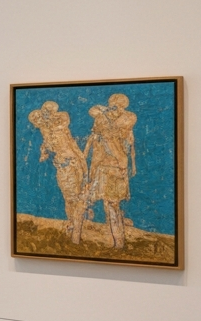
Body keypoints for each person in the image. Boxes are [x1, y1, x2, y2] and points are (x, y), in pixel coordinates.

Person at [27, 101, 87, 243]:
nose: (40, 121)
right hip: (64, 165)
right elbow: (48, 144)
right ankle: (73, 225)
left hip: (69, 165)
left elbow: (65, 140)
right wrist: (45, 151)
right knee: (69, 198)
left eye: (47, 114)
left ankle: (76, 229)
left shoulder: (59, 127)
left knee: (74, 198)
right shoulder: (48, 132)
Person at [84, 94, 137, 251]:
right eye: (114, 105)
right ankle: (117, 240)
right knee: (109, 205)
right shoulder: (104, 118)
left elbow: (129, 142)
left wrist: (131, 164)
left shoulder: (125, 119)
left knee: (112, 205)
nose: (116, 108)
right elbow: (94, 138)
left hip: (114, 166)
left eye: (118, 105)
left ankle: (118, 241)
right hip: (106, 166)